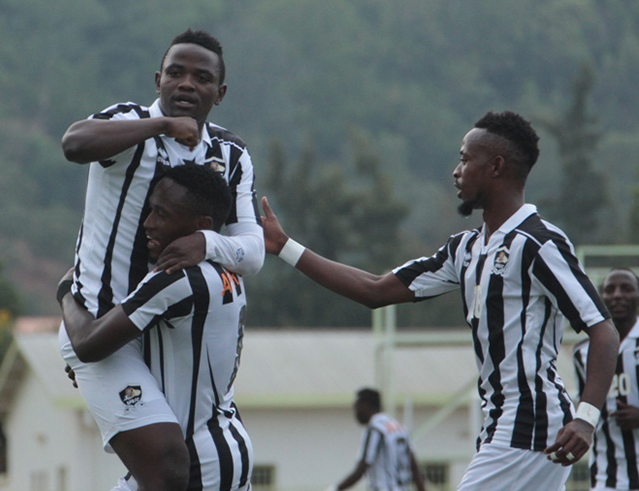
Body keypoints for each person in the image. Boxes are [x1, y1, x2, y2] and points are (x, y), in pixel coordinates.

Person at [261, 111, 619, 490]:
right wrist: (284, 247)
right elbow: (374, 290)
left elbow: (602, 329)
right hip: (503, 423)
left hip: (529, 422)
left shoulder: (537, 243)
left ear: (496, 167)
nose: (456, 171)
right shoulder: (464, 249)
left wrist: (586, 417)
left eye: (465, 159)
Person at [59, 28, 262, 490]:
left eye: (201, 77)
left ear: (220, 93)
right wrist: (162, 125)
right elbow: (74, 143)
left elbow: (251, 252)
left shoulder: (230, 155)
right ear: (158, 80)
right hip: (102, 327)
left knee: (204, 456)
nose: (187, 84)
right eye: (176, 73)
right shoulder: (128, 123)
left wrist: (208, 244)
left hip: (170, 332)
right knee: (171, 468)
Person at [59, 164, 253, 490]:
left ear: (200, 226)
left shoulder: (175, 278)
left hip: (190, 466)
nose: (147, 222)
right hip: (225, 446)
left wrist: (66, 291)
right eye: (150, 209)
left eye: (161, 213)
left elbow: (88, 344)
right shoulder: (227, 271)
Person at [574, 268, 639, 490]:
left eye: (627, 289)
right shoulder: (583, 353)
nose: (617, 295)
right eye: (609, 290)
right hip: (605, 477)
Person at [326, 388, 426, 491]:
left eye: (356, 407)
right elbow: (415, 470)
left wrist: (335, 488)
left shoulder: (375, 429)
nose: (355, 414)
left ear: (365, 405)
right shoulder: (400, 429)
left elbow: (361, 469)